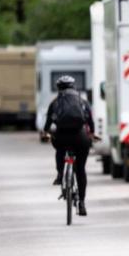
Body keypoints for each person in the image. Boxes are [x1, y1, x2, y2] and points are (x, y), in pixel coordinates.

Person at [41, 75, 95, 216]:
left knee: (59, 147)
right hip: (80, 137)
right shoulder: (82, 101)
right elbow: (90, 122)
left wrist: (46, 133)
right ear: (74, 86)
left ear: (58, 88)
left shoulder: (55, 103)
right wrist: (92, 134)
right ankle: (82, 203)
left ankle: (60, 174)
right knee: (81, 169)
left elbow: (47, 125)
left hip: (62, 136)